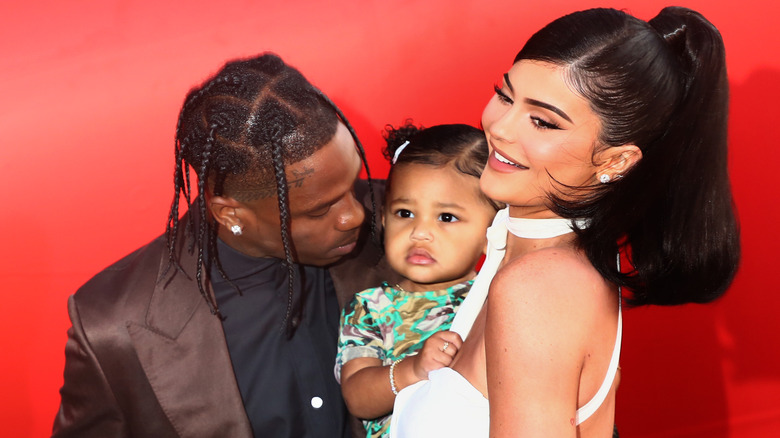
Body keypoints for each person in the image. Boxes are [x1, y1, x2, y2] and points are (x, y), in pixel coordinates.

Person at [390, 7, 740, 437]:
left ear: (614, 161)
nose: (499, 128)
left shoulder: (536, 288)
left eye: (542, 121)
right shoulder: (527, 252)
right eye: (504, 94)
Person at [52, 53, 401, 438]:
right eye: (320, 210)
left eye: (353, 181)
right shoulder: (113, 326)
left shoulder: (411, 224)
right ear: (232, 215)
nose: (354, 215)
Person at [335, 123, 501, 437]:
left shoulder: (498, 299)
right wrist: (413, 368)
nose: (419, 232)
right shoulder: (371, 308)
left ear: (491, 232)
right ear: (383, 218)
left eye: (446, 217)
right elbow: (357, 396)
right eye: (405, 213)